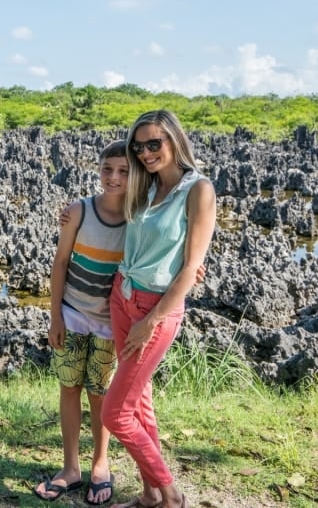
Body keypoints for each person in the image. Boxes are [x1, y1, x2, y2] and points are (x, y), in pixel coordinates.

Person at [103, 110, 216, 508]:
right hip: (123, 295)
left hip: (157, 308)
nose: (147, 153)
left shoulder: (198, 190)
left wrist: (150, 321)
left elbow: (190, 268)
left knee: (114, 414)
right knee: (140, 404)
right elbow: (109, 195)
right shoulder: (146, 185)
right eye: (140, 146)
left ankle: (170, 495)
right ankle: (151, 495)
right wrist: (73, 213)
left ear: (174, 140)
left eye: (155, 144)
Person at [34, 140, 129, 505]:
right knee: (69, 387)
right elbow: (60, 263)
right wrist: (55, 315)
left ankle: (100, 464)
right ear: (99, 170)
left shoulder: (137, 220)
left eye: (123, 171)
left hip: (109, 323)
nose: (114, 177)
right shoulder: (78, 212)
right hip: (72, 315)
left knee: (100, 393)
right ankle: (71, 467)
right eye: (108, 169)